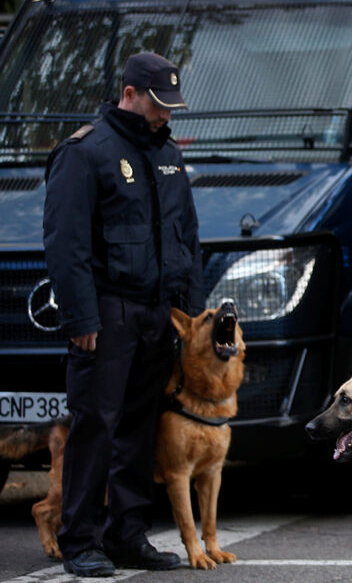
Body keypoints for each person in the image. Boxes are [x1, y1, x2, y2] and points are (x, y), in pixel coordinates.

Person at [43, 51, 202, 577]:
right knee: (96, 426)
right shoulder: (85, 153)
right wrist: (81, 319)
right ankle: (80, 540)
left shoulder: (167, 152)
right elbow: (66, 247)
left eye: (171, 107)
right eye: (158, 105)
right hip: (108, 314)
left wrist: (191, 315)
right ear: (128, 93)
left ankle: (128, 536)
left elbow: (186, 238)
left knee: (139, 428)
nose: (166, 116)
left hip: (159, 315)